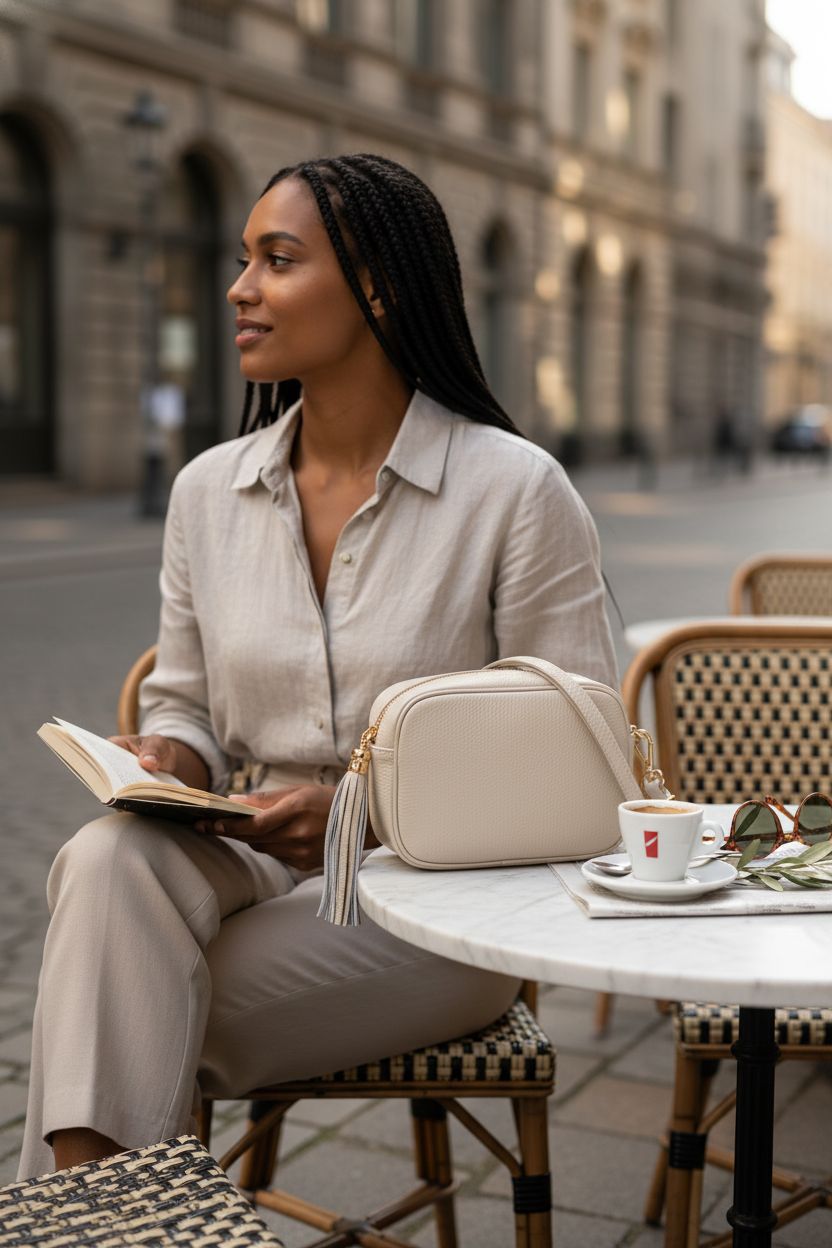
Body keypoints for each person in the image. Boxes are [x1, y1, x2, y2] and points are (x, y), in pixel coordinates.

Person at [19, 154, 617, 1178]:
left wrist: (361, 812)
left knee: (111, 1008)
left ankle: (80, 1218)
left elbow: (578, 763)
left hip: (434, 902)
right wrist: (170, 756)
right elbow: (186, 704)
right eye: (243, 258)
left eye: (278, 260)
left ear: (376, 288)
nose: (238, 288)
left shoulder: (516, 491)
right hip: (246, 860)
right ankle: (114, 1225)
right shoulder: (207, 493)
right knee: (109, 859)